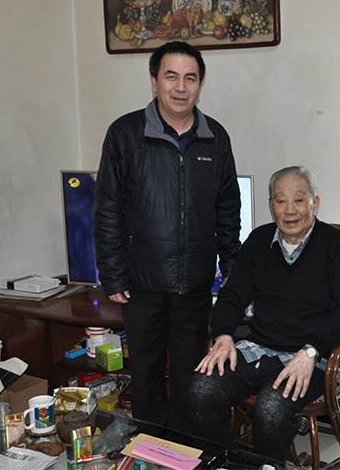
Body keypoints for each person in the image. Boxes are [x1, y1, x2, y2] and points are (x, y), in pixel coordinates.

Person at [93, 41, 241, 433]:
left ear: (199, 85)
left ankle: (184, 452)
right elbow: (107, 208)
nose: (180, 87)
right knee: (145, 375)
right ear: (154, 82)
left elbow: (228, 208)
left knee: (191, 377)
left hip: (194, 284)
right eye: (171, 76)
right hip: (141, 284)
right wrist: (113, 274)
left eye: (190, 78)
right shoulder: (125, 134)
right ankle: (149, 451)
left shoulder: (216, 138)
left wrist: (232, 265)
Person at [188, 166, 340, 462]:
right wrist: (224, 335)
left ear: (315, 204)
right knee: (202, 389)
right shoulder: (259, 241)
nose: (290, 210)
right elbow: (231, 295)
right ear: (271, 206)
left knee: (270, 407)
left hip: (314, 357)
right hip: (260, 349)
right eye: (281, 201)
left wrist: (311, 351)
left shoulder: (335, 244)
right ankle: (222, 464)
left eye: (299, 200)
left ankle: (267, 468)